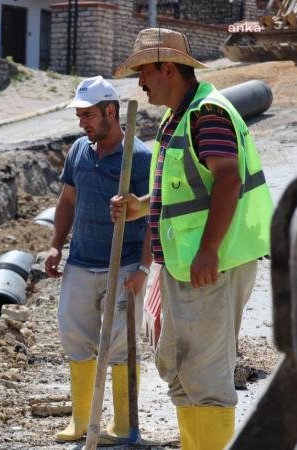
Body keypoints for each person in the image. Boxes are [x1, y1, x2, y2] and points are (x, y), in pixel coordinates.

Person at [112, 28, 273, 450]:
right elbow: (190, 190)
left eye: (143, 72)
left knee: (205, 378)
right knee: (180, 370)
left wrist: (208, 251)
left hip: (209, 266)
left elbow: (227, 179)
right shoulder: (178, 117)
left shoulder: (207, 114)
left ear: (168, 67)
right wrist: (141, 206)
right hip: (186, 265)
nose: (140, 82)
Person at [45, 75, 152, 443]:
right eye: (79, 116)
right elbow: (68, 200)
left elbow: (155, 216)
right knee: (75, 338)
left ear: (110, 111)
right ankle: (81, 421)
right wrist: (57, 244)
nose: (82, 123)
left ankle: (122, 424)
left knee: (121, 346)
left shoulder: (139, 157)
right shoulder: (79, 150)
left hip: (122, 267)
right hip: (80, 261)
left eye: (88, 115)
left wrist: (142, 268)